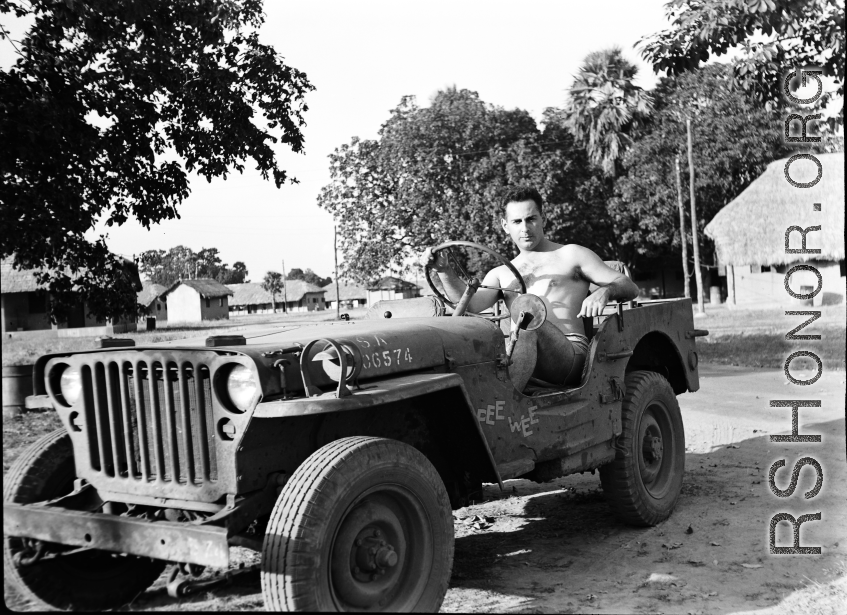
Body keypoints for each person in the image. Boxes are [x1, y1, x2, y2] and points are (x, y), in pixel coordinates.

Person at [423, 185, 640, 390]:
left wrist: (605, 291)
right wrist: (444, 271)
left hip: (571, 355)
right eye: (517, 221)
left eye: (531, 219)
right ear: (505, 225)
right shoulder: (501, 273)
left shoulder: (571, 254)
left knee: (528, 325)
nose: (525, 228)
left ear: (543, 219)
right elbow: (469, 304)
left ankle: (505, 399)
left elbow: (629, 286)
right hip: (520, 355)